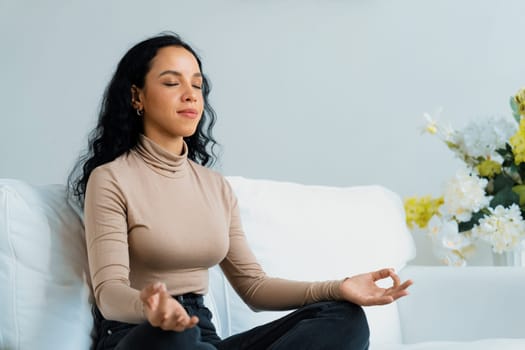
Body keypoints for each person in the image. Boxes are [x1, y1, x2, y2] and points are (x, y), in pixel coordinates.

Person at [68, 32, 413, 350]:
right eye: (172, 82)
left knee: (344, 318)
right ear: (136, 96)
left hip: (203, 339)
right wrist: (151, 308)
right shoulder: (111, 178)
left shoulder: (215, 186)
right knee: (177, 335)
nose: (190, 94)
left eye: (197, 85)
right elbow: (109, 293)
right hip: (142, 335)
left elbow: (254, 287)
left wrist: (339, 288)